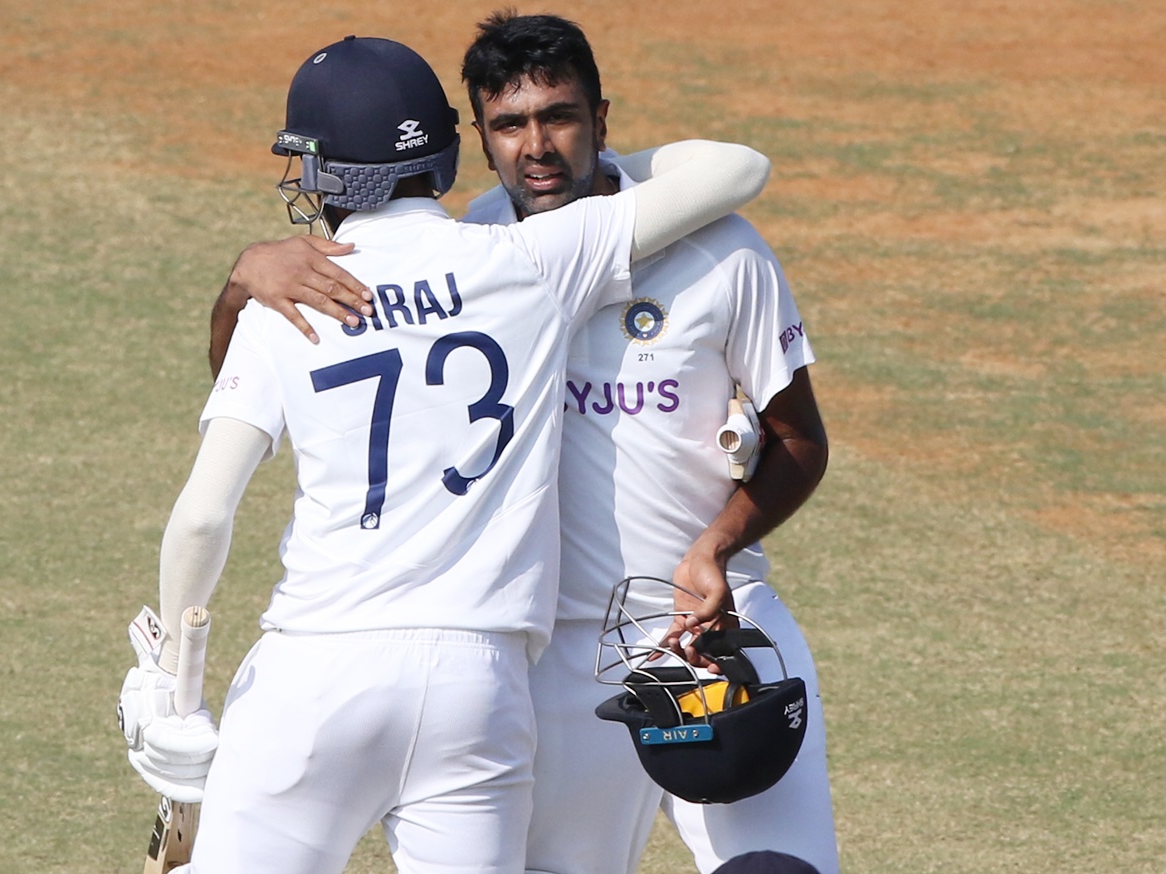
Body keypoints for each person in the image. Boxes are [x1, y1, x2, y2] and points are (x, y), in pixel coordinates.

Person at [117, 32, 771, 874]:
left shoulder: (284, 293)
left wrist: (174, 682)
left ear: (324, 176)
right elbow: (736, 170)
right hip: (482, 689)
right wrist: (587, 154)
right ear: (450, 153)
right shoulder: (535, 259)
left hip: (317, 672)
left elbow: (205, 514)